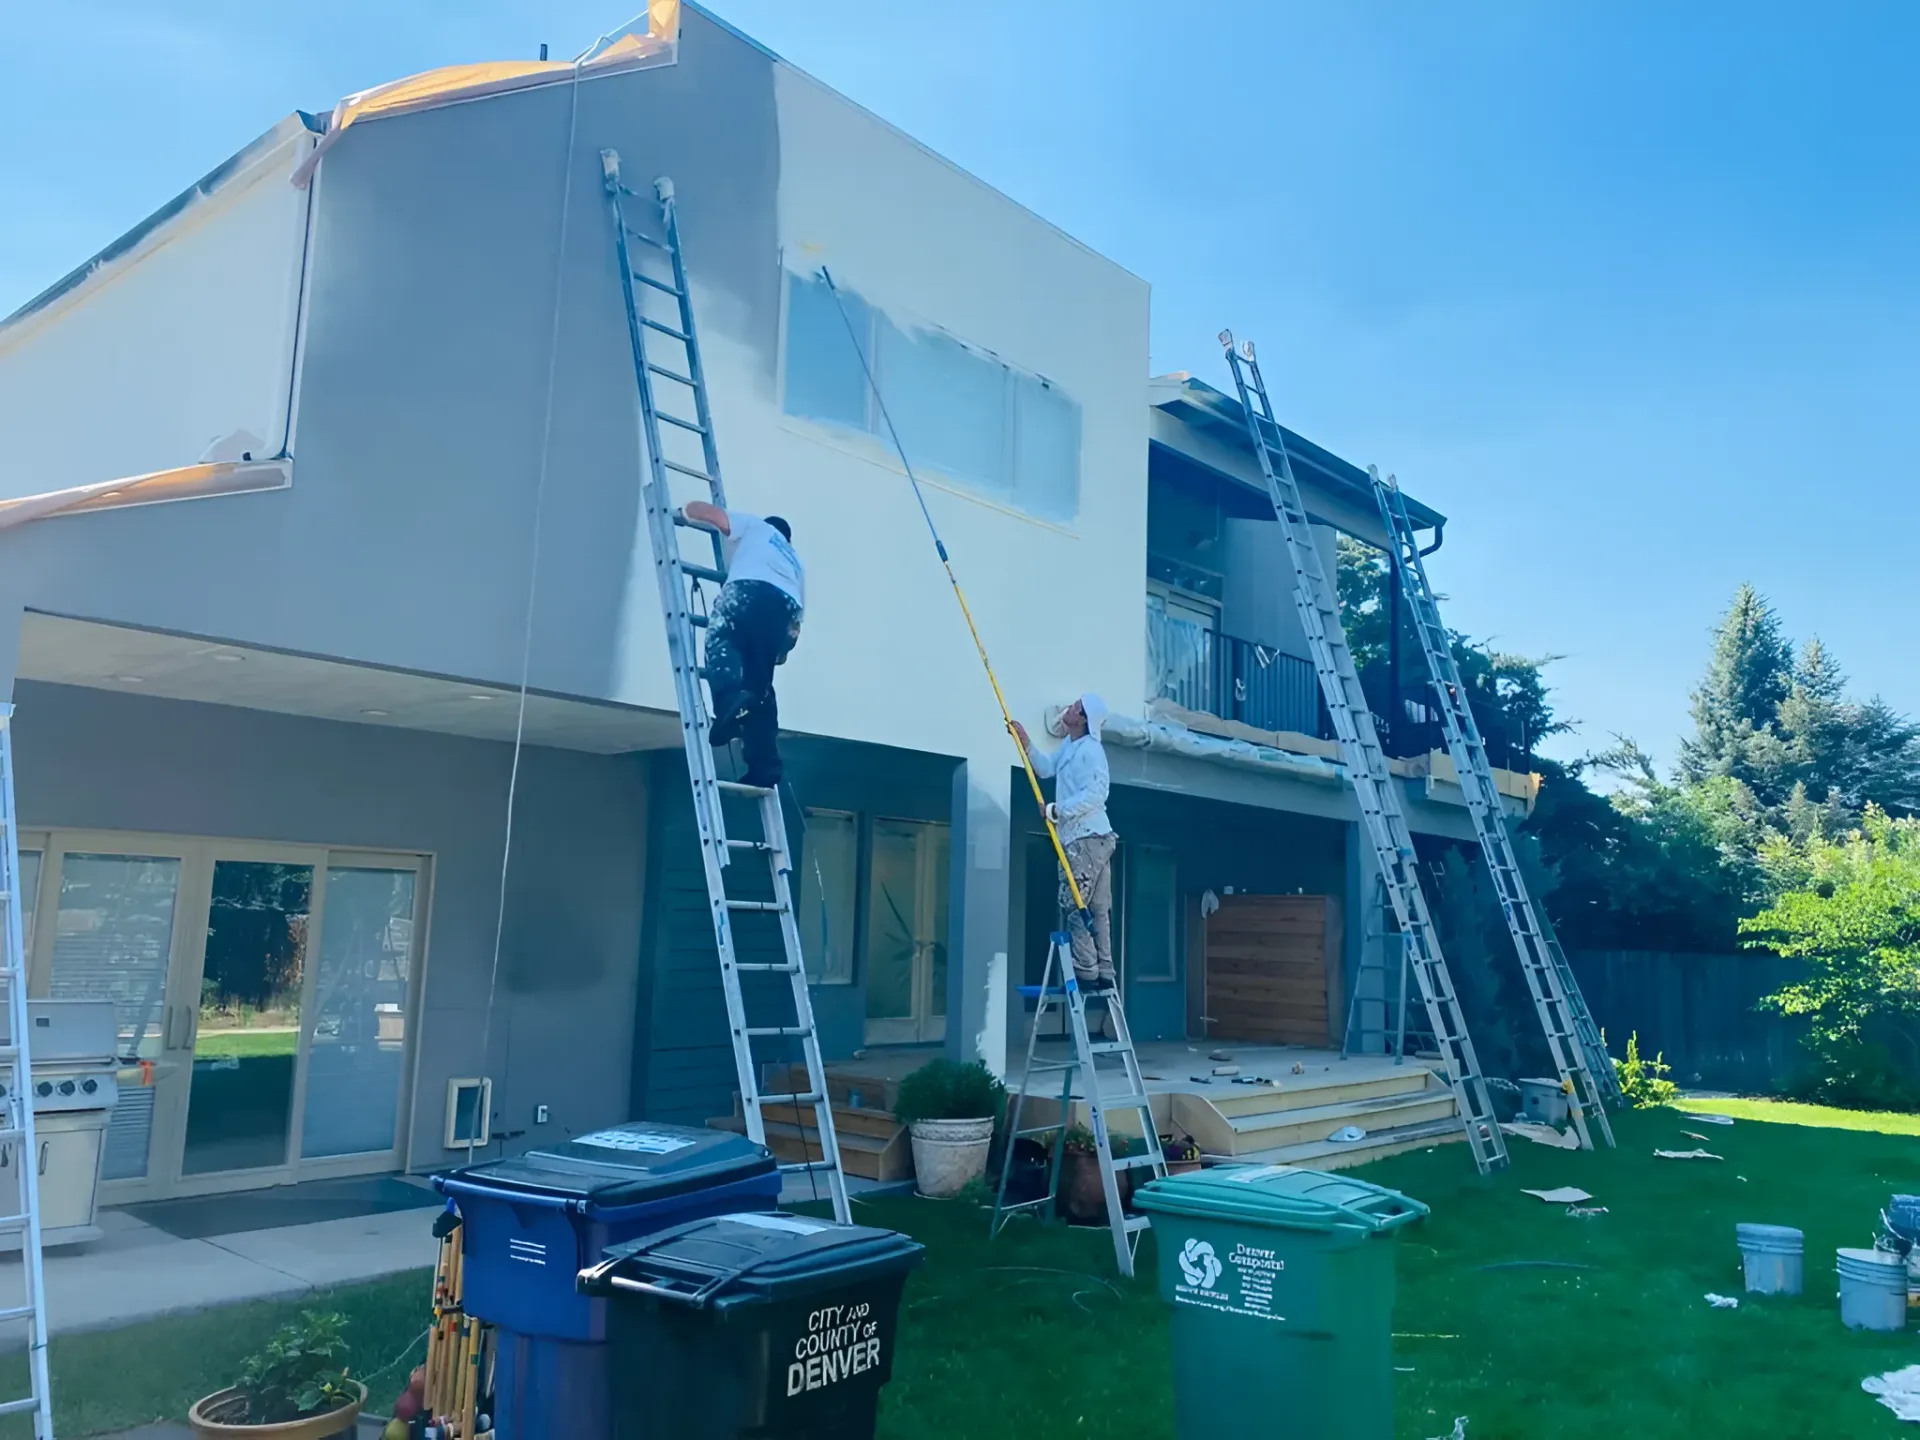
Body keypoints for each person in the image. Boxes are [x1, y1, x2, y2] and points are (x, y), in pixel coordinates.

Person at [680, 501, 803, 788]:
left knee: (721, 638)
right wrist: (774, 652)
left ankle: (726, 704)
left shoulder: (757, 527)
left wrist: (686, 512)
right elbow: (794, 627)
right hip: (785, 607)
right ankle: (764, 767)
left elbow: (718, 518)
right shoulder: (795, 561)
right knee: (760, 692)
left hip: (750, 590)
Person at [1012, 695, 1118, 989]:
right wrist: (1026, 742)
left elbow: (1098, 794)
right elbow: (1045, 769)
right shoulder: (1071, 746)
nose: (1068, 709)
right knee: (1097, 908)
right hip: (1091, 838)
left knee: (1075, 904)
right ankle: (1105, 973)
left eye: (1074, 708)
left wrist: (1057, 810)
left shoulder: (1092, 751)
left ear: (1083, 719)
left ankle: (1086, 971)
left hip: (1085, 838)